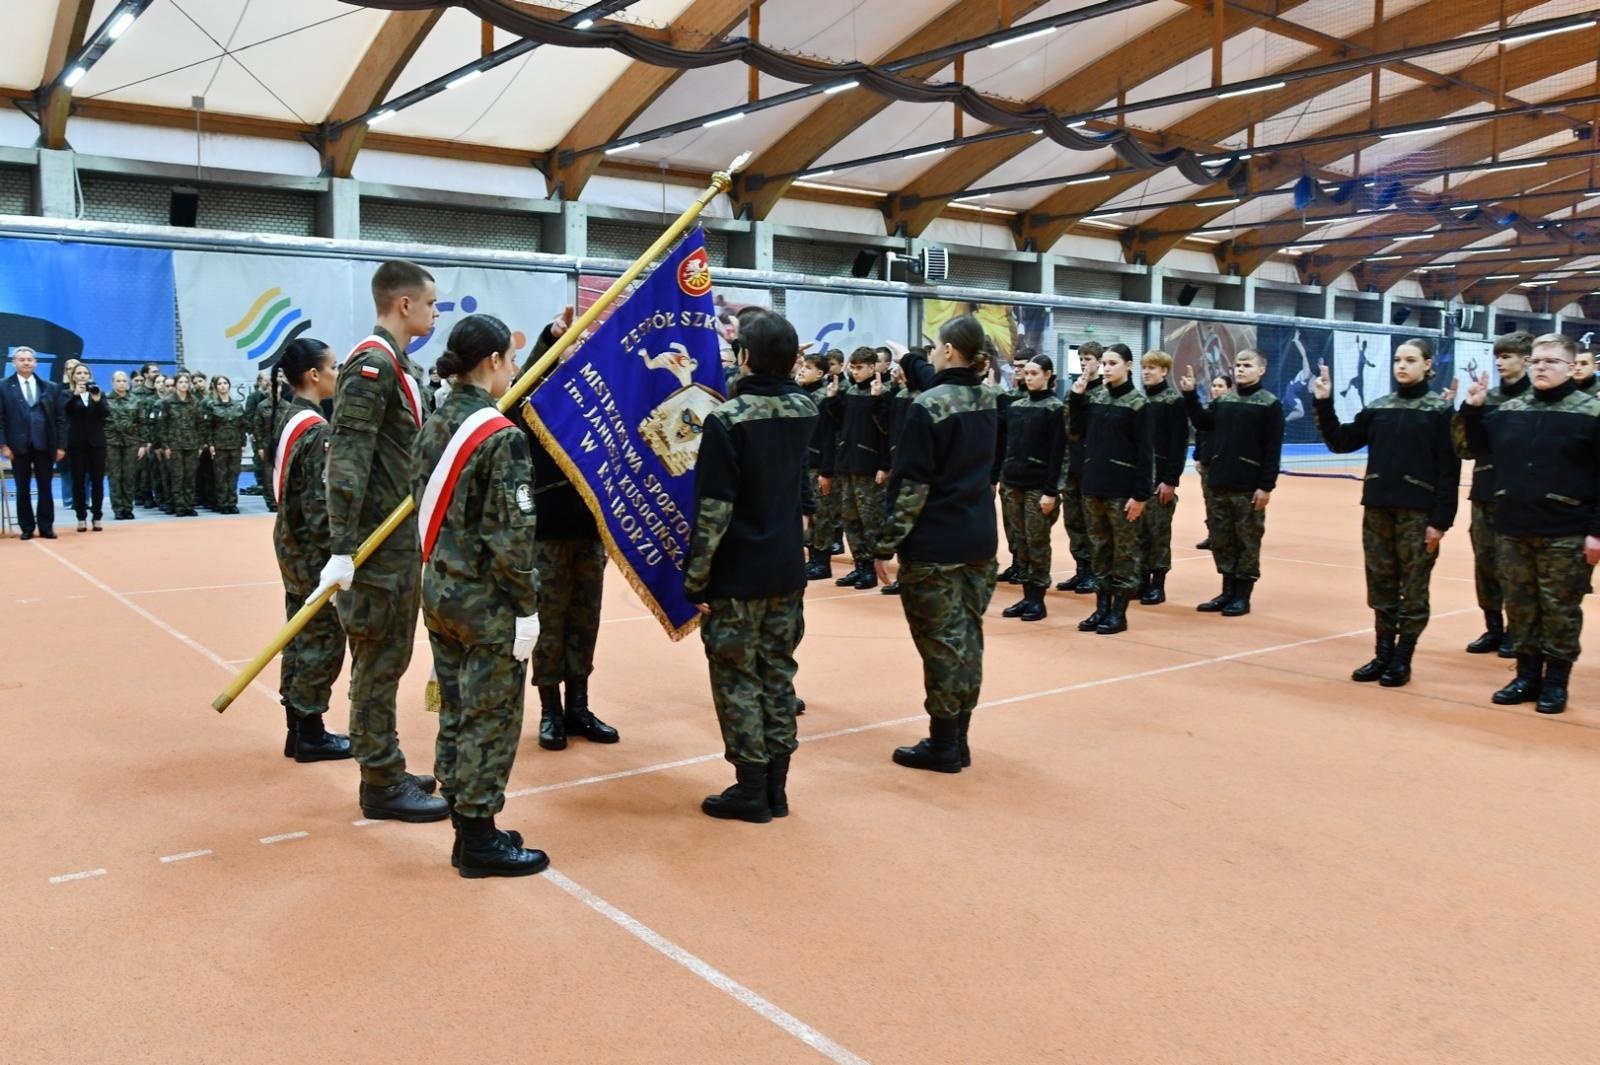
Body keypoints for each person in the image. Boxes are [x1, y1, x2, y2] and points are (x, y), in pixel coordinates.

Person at [412, 314, 547, 876]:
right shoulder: (501, 436)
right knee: (490, 718)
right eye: (510, 360)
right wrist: (528, 606)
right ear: (492, 362)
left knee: (455, 711)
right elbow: (510, 539)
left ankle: (466, 829)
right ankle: (481, 842)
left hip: (440, 593)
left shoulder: (435, 422)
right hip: (486, 604)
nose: (512, 370)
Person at [312, 260, 446, 822]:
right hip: (374, 544)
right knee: (376, 659)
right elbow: (348, 458)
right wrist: (342, 547)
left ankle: (383, 760)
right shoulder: (372, 366)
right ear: (405, 305)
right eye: (432, 304)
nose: (437, 313)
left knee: (390, 656)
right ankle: (380, 781)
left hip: (399, 539)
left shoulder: (401, 364)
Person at [684, 309, 818, 822]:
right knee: (778, 673)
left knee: (737, 678)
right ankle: (777, 787)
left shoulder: (728, 420)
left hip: (737, 570)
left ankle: (750, 787)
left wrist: (695, 576)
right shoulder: (806, 409)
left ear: (744, 357)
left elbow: (714, 509)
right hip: (785, 565)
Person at [873, 314, 999, 774]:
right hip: (979, 538)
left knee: (941, 646)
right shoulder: (989, 398)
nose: (929, 353)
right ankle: (958, 737)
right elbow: (944, 382)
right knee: (968, 640)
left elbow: (911, 488)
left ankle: (944, 745)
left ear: (948, 351)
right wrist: (908, 358)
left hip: (936, 545)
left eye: (933, 347)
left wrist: (883, 545)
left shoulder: (926, 407)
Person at [1458, 333, 1600, 715]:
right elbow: (1473, 449)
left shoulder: (1591, 413)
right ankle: (1525, 676)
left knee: (1559, 610)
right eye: (1536, 361)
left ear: (1572, 368)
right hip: (1512, 527)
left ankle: (1555, 682)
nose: (1540, 367)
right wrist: (1472, 410)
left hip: (1566, 531)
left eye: (1551, 362)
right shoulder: (1509, 410)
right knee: (1520, 607)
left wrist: (1597, 531)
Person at [1314, 340, 1460, 687]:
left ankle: (1402, 658)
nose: (1401, 366)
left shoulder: (1439, 412)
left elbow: (1448, 471)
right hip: (1378, 508)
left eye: (1410, 360)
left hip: (1418, 513)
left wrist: (1440, 521)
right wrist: (1323, 402)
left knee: (1413, 588)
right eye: (1397, 359)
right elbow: (1341, 441)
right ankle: (1382, 654)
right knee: (1380, 584)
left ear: (1428, 365)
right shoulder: (1380, 407)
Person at [519, 308, 620, 752]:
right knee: (549, 625)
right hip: (545, 534)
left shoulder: (599, 408)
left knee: (584, 622)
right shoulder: (535, 405)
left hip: (587, 533)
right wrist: (549, 338)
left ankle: (579, 707)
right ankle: (550, 711)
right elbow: (520, 389)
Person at [271, 337, 355, 765]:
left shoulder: (289, 416)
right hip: (310, 548)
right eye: (334, 367)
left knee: (299, 634)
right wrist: (339, 553)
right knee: (321, 637)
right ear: (314, 375)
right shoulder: (316, 429)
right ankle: (310, 731)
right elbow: (319, 504)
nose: (338, 375)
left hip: (290, 540)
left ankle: (297, 729)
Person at [1179, 349, 1283, 616]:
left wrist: (1266, 486)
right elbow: (1202, 422)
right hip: (1219, 481)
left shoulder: (1269, 404)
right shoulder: (1225, 400)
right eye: (1237, 365)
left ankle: (1242, 596)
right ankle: (1226, 592)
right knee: (1223, 539)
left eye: (1247, 365)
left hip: (1248, 486)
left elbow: (1272, 449)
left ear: (1261, 370)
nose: (1240, 369)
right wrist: (1190, 395)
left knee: (1246, 541)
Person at [1452, 331, 1532, 657]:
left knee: (1515, 568)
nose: (1500, 362)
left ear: (1526, 359)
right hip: (1485, 493)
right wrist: (1471, 410)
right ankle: (1493, 629)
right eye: (1498, 356)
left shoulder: (1535, 401)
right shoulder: (1487, 398)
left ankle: (1518, 631)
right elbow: (1463, 448)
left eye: (1508, 356)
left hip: (1519, 496)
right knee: (1485, 564)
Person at [1069, 344, 1151, 635]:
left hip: (1122, 490)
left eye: (1113, 362)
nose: (1106, 367)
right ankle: (1101, 608)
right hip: (1094, 486)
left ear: (1128, 365)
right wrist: (1076, 397)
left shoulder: (1138, 403)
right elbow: (1076, 431)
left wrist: (1141, 495)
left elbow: (1145, 454)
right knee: (1100, 550)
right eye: (1104, 362)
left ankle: (1119, 612)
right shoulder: (1097, 397)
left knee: (1124, 553)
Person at [997, 354, 1065, 622]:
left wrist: (1051, 490)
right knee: (1020, 541)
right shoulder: (1017, 405)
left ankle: (1037, 598)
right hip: (1013, 482)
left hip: (1039, 486)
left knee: (1037, 542)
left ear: (1048, 375)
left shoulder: (1055, 408)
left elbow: (1058, 453)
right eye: (1026, 373)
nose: (1029, 377)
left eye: (1034, 373)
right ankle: (1026, 595)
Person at [821, 347, 890, 590]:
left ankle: (870, 568)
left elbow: (886, 432)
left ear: (873, 368)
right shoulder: (849, 391)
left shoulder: (883, 393)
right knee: (849, 518)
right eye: (853, 366)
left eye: (860, 367)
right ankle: (859, 565)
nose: (855, 371)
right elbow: (841, 423)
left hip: (869, 466)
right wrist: (832, 400)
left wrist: (884, 465)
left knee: (870, 519)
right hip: (847, 462)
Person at [1138, 350, 1188, 606]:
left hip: (1160, 479)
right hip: (1137, 479)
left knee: (1158, 533)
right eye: (1144, 367)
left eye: (1153, 368)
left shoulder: (1173, 402)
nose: (1146, 372)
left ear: (1165, 371)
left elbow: (1178, 444)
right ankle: (1139, 579)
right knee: (1136, 532)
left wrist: (1170, 479)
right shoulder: (1137, 400)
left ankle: (1157, 584)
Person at [0, 346, 67, 540]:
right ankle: (27, 527)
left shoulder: (50, 387)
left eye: (30, 359)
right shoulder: (3, 386)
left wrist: (61, 446)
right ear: (14, 363)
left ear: (35, 362)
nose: (26, 362)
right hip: (17, 446)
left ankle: (46, 527)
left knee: (45, 486)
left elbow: (60, 419)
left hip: (45, 445)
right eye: (22, 359)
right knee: (22, 487)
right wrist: (3, 445)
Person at [1055, 341, 1103, 594]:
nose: (1085, 363)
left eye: (1089, 358)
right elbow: (1068, 427)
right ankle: (1081, 569)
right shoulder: (1073, 391)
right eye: (1082, 358)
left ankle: (1095, 571)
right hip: (1071, 465)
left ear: (1100, 362)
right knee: (1073, 521)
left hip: (1092, 467)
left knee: (1092, 522)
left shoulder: (1104, 392)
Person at [797, 352, 838, 581]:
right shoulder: (801, 395)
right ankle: (811, 558)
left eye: (807, 367)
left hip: (819, 463)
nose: (802, 370)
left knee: (822, 513)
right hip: (804, 463)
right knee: (808, 514)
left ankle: (822, 562)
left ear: (820, 373)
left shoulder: (824, 397)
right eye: (801, 366)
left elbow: (829, 437)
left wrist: (826, 470)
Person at [62, 363, 108, 532]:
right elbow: (64, 412)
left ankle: (97, 516)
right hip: (76, 444)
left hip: (97, 444)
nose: (82, 376)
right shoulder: (66, 394)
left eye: (85, 373)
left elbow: (105, 415)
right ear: (73, 376)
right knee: (78, 482)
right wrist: (75, 396)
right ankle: (81, 517)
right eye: (78, 373)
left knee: (97, 481)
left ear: (90, 376)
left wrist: (97, 402)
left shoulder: (98, 393)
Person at [158, 372, 205, 517]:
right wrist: (165, 446)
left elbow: (201, 424)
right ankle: (179, 505)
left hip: (191, 444)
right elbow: (162, 425)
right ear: (176, 384)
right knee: (177, 476)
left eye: (186, 382)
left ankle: (189, 505)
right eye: (181, 382)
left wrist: (200, 445)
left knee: (190, 476)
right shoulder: (167, 402)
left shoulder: (195, 402)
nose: (184, 384)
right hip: (174, 445)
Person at [1193, 373, 1230, 550]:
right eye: (1214, 385)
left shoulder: (1233, 411)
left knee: (1226, 503)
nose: (1216, 389)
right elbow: (1200, 434)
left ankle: (1227, 536)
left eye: (1220, 386)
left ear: (1229, 389)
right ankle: (1213, 535)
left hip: (1225, 466)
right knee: (1209, 501)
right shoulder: (1206, 411)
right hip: (1207, 465)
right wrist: (1198, 457)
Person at [205, 374, 247, 514]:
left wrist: (243, 443)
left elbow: (242, 426)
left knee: (233, 475)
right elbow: (209, 427)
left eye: (225, 383)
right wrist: (210, 444)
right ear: (216, 387)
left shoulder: (237, 405)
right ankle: (222, 503)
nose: (223, 386)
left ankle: (232, 502)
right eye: (220, 384)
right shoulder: (212, 405)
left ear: (229, 386)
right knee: (220, 476)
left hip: (235, 445)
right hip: (219, 445)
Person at [104, 371, 142, 521]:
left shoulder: (135, 400)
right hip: (111, 442)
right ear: (112, 383)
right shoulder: (105, 400)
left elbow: (141, 423)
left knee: (129, 476)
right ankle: (118, 509)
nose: (121, 384)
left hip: (131, 442)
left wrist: (143, 444)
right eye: (118, 381)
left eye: (124, 381)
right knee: (114, 476)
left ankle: (128, 507)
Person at [244, 370, 279, 513]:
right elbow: (250, 416)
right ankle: (269, 498)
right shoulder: (256, 399)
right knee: (264, 469)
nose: (266, 383)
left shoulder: (285, 404)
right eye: (264, 380)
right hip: (263, 439)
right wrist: (252, 433)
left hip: (278, 441)